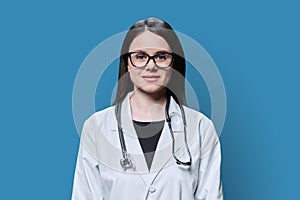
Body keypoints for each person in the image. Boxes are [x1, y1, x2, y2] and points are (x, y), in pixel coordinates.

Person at [72, 17, 223, 200]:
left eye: (161, 57)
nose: (151, 66)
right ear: (127, 63)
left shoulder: (201, 129)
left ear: (173, 63)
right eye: (140, 56)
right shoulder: (96, 128)